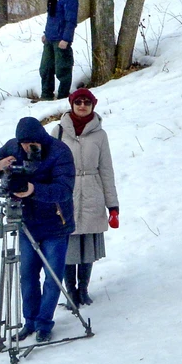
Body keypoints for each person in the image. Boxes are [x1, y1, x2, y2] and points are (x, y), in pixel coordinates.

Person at [0, 116, 77, 343]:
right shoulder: (13, 147)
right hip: (26, 224)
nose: (26, 147)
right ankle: (30, 321)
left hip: (55, 225)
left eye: (31, 143)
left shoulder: (59, 152)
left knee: (52, 278)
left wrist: (33, 189)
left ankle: (44, 324)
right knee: (27, 277)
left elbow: (64, 190)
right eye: (23, 143)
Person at [51, 87, 118, 308]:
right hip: (66, 193)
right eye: (78, 102)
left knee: (87, 247)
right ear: (71, 104)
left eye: (86, 102)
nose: (82, 106)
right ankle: (71, 292)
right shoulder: (58, 131)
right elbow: (48, 166)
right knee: (68, 247)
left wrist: (113, 205)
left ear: (92, 106)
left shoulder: (100, 135)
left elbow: (106, 169)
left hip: (92, 193)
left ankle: (83, 290)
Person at [39, 0, 78, 100]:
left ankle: (63, 97)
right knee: (45, 69)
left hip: (61, 40)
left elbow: (71, 20)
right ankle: (46, 96)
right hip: (50, 39)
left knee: (63, 69)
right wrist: (46, 34)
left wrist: (66, 39)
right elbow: (52, 18)